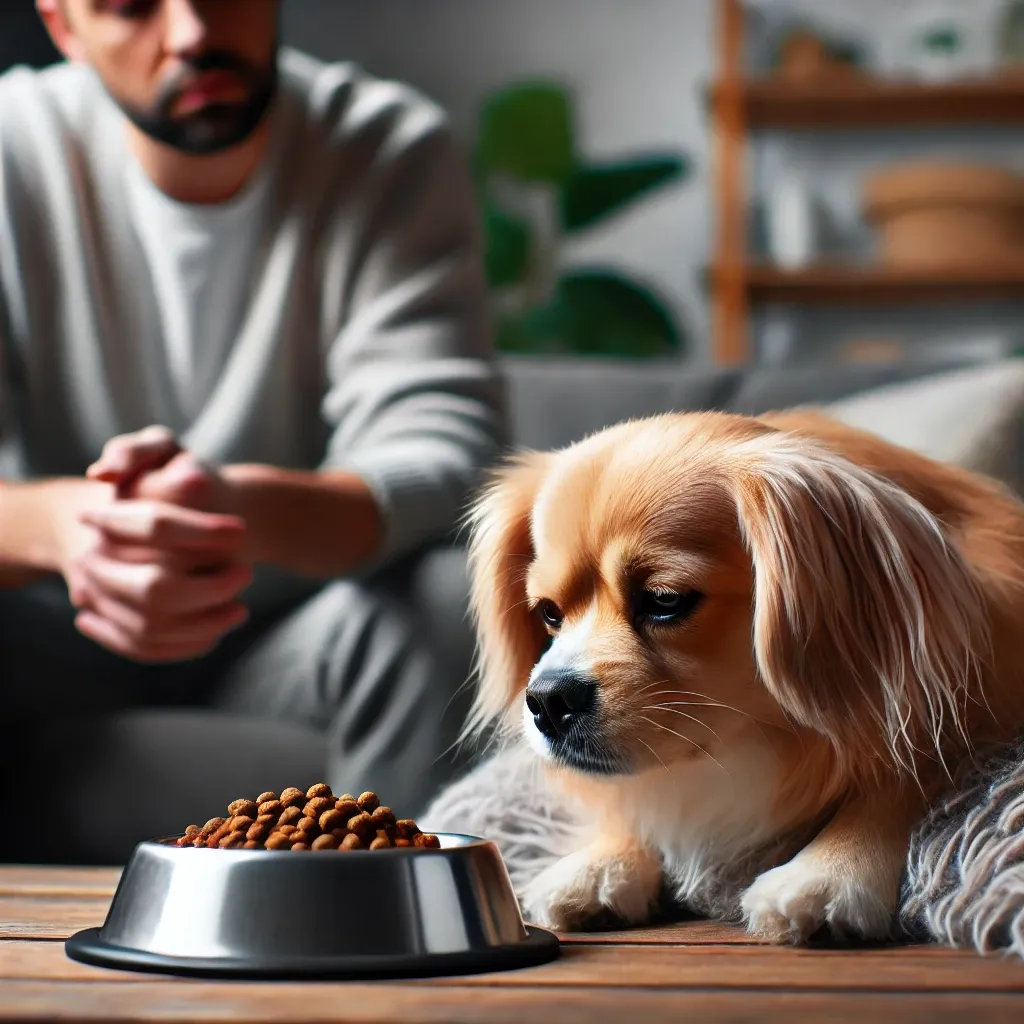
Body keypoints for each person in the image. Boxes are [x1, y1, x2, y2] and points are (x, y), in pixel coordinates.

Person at [0, 0, 503, 856]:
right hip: (45, 626)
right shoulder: (12, 150)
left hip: (291, 631)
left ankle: (394, 944)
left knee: (447, 593)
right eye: (130, 7)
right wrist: (70, 530)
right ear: (63, 27)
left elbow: (445, 455)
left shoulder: (387, 148)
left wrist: (236, 512)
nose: (193, 32)